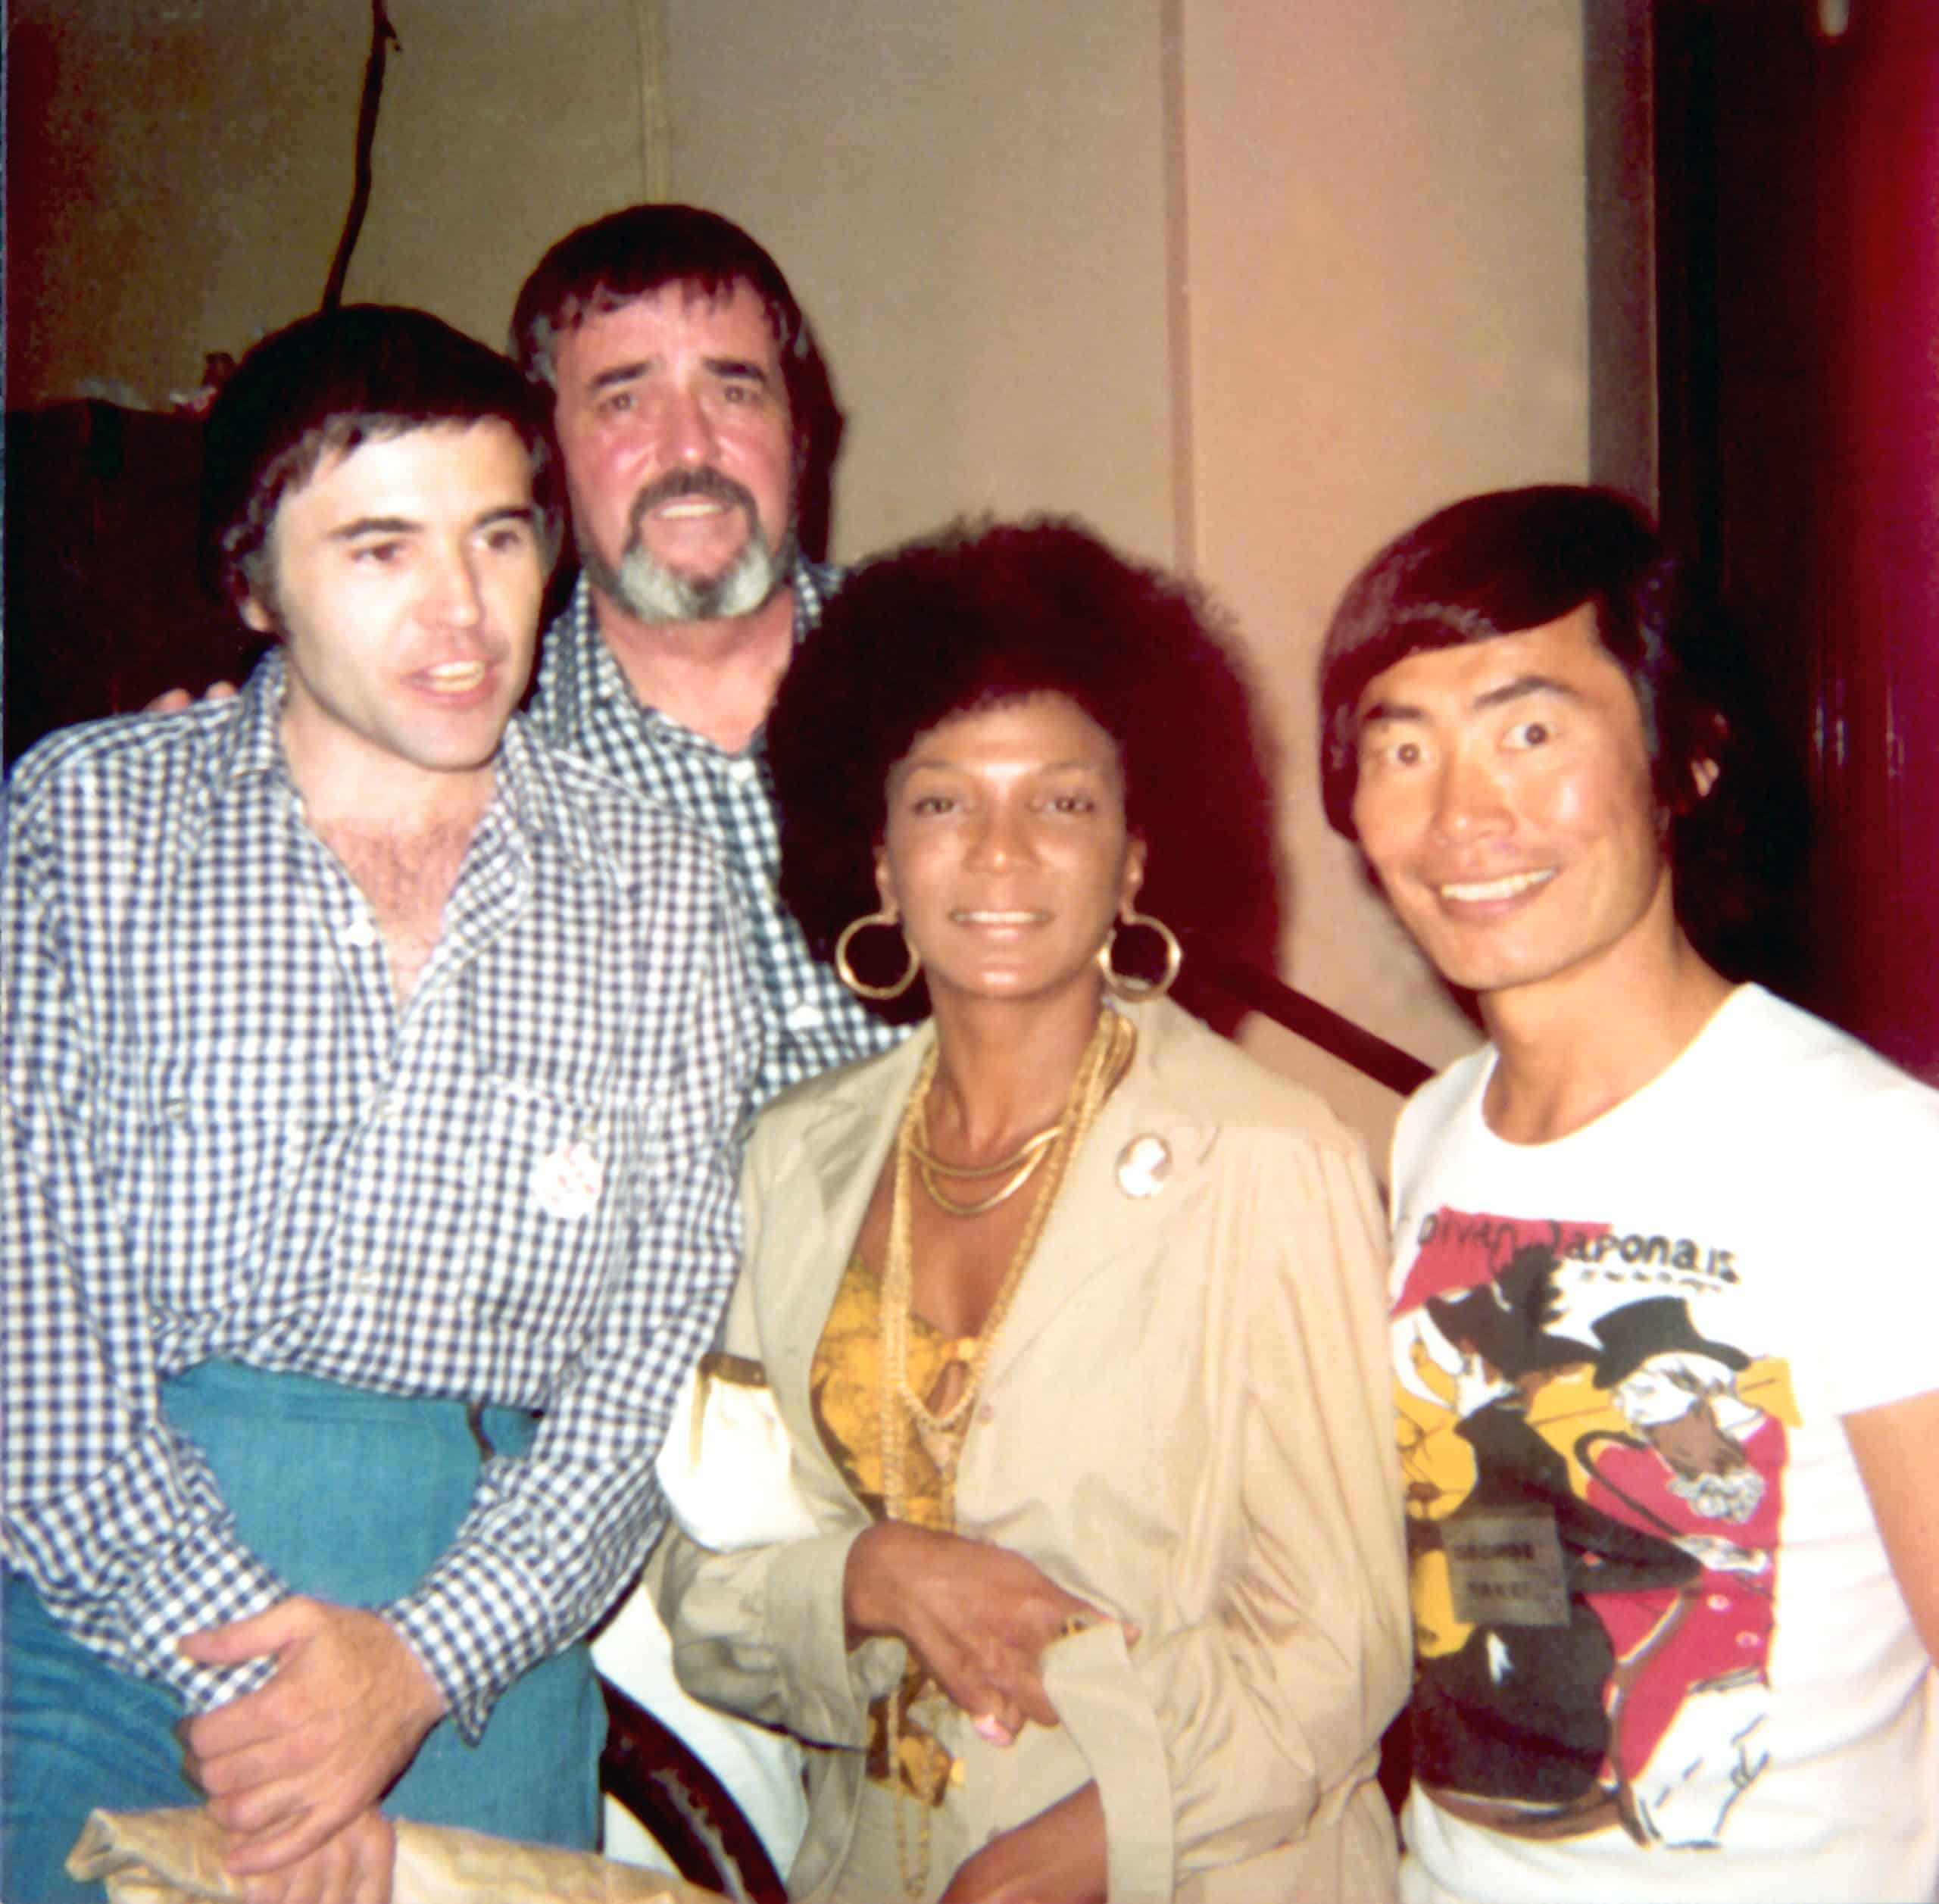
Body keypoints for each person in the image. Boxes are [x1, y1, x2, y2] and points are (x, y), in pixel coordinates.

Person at [1, 305, 754, 1902]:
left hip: (484, 1626)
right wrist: (275, 1705)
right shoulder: (91, 822)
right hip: (99, 1609)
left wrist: (405, 1674)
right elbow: (29, 1317)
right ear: (251, 582)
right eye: (377, 549)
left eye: (497, 536)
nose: (461, 614)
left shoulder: (655, 883)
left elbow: (641, 1354)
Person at [654, 517, 1410, 1903]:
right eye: (943, 800)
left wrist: (1075, 1844)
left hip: (1194, 1863)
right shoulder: (793, 1158)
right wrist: (866, 1578)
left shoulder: (1268, 1158)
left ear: (1133, 860)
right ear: (875, 859)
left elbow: (1340, 1644)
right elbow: (706, 1593)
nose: (999, 851)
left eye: (1062, 801)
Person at [1317, 483, 1939, 1902]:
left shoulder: (1874, 1154)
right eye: (1401, 746)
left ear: (1687, 761)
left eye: (1530, 731)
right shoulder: (1430, 1130)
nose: (1462, 812)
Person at [510, 201, 904, 1109]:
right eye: (623, 399)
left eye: (734, 390)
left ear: (798, 432)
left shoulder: (960, 674)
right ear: (546, 454)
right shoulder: (482, 759)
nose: (689, 447)